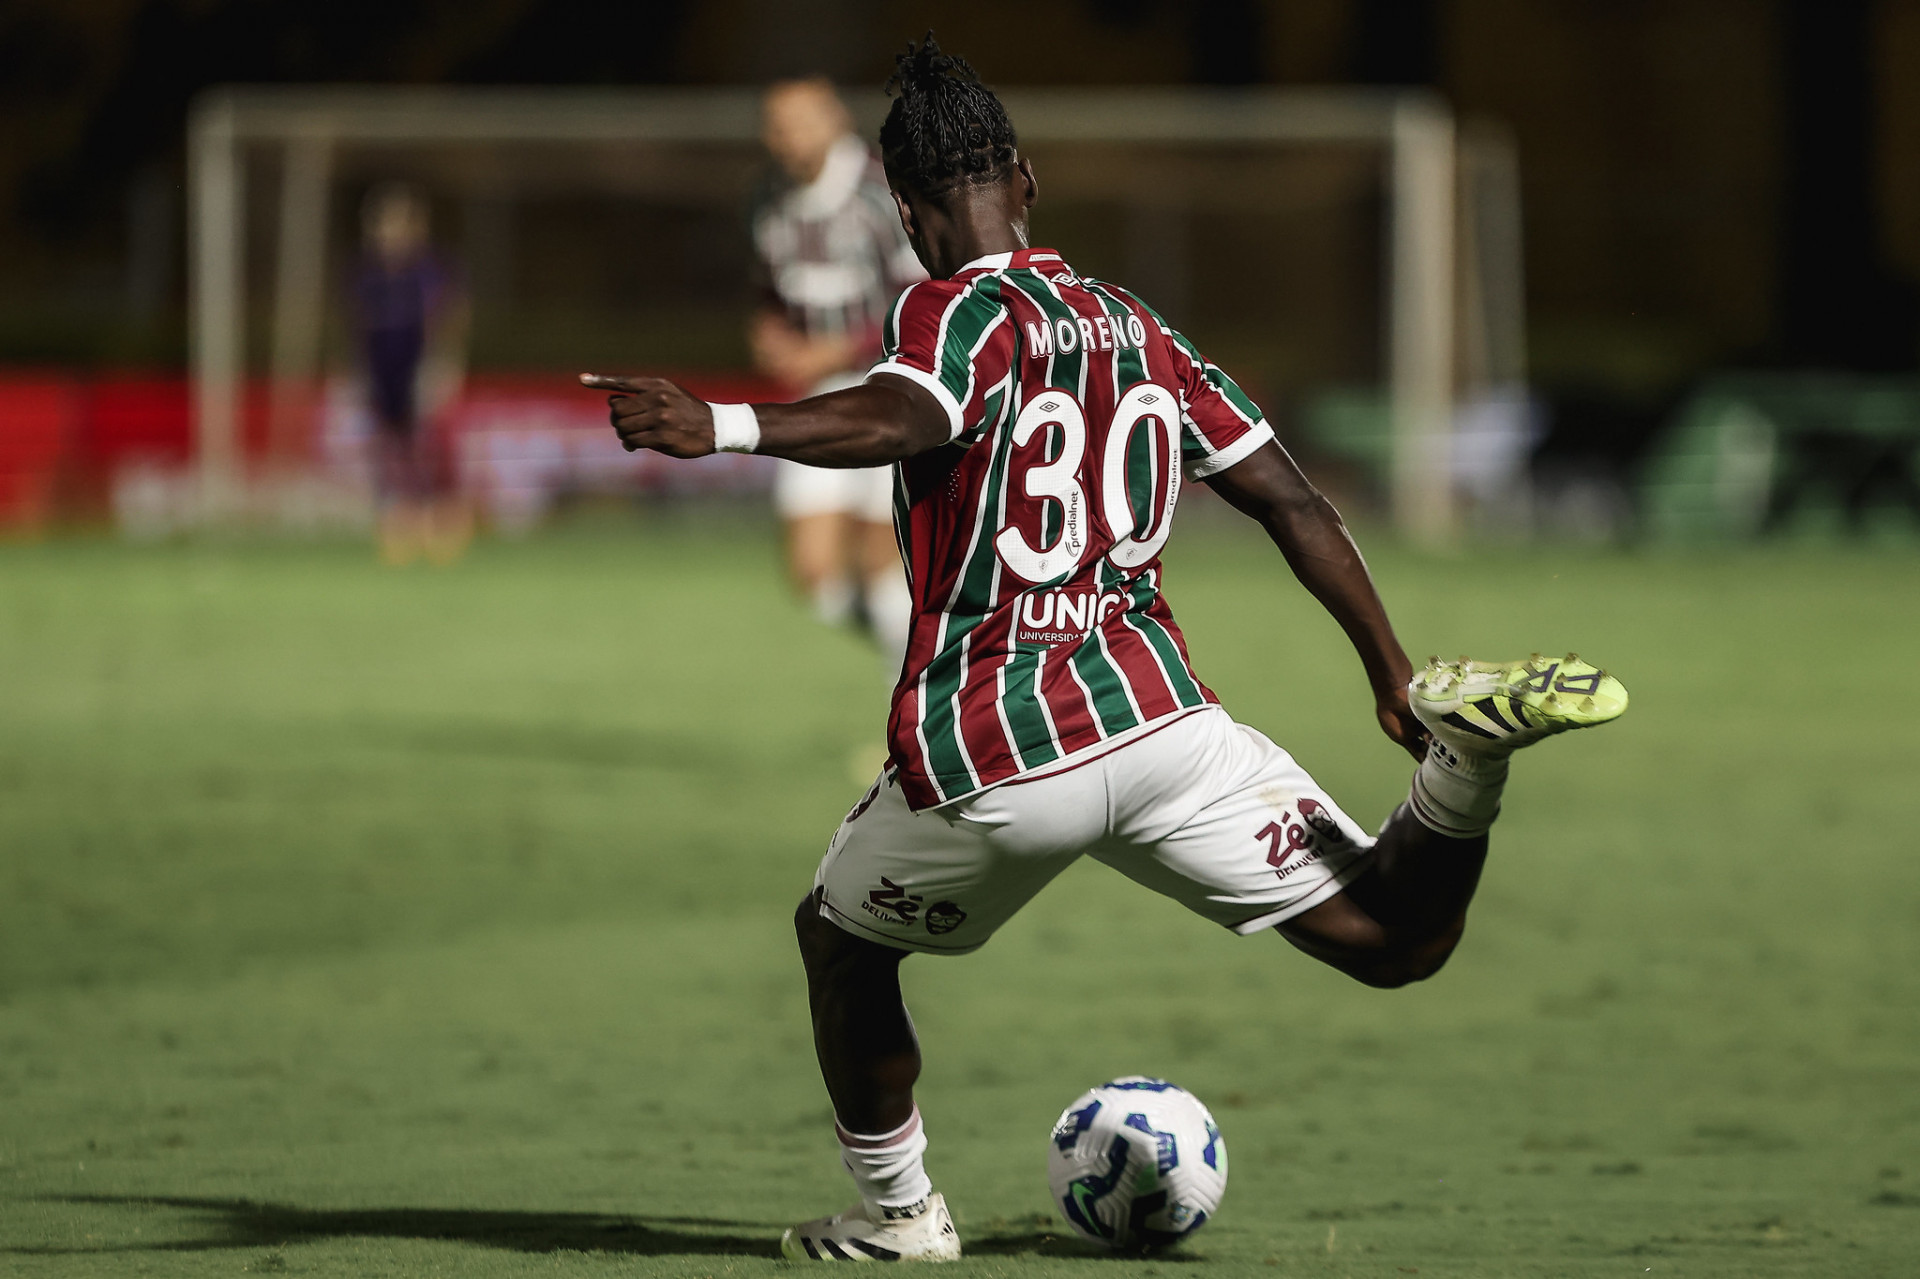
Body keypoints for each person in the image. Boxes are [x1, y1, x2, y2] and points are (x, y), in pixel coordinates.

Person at [583, 36, 1628, 1263]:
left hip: (1002, 759)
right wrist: (1390, 671)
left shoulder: (945, 307)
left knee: (837, 940)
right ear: (1024, 179)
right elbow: (1294, 501)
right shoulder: (1138, 325)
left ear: (910, 213)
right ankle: (1467, 768)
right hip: (1167, 729)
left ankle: (902, 1217)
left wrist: (724, 422)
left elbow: (913, 409)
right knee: (1398, 941)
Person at [751, 77, 926, 663]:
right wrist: (771, 333)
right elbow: (772, 294)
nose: (788, 137)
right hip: (824, 392)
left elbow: (922, 293)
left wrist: (831, 349)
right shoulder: (774, 204)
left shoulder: (883, 194)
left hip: (894, 388)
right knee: (815, 572)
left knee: (881, 562)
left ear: (835, 121)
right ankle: (919, 649)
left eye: (802, 121)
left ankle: (911, 722)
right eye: (777, 125)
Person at [352, 182, 470, 566]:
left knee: (429, 455)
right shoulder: (366, 276)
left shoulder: (430, 272)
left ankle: (442, 533)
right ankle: (397, 534)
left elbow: (450, 320)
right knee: (389, 454)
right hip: (381, 374)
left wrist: (444, 366)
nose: (390, 233)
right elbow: (355, 326)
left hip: (421, 370)